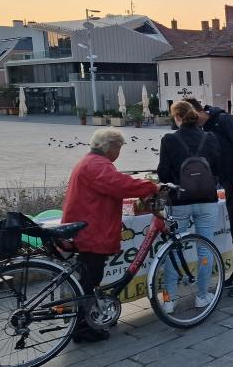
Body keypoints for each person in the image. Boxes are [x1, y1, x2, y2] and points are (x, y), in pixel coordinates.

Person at [61, 128, 159, 343]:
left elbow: (112, 184)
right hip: (91, 228)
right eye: (119, 148)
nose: (119, 152)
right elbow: (118, 185)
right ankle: (83, 327)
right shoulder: (97, 164)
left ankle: (93, 317)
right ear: (110, 147)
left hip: (86, 224)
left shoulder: (90, 161)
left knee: (90, 277)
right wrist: (151, 186)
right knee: (90, 279)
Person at [185, 98, 233, 298]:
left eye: (190, 117)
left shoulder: (225, 120)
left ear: (198, 110)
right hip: (231, 184)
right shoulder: (207, 128)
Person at [156, 101, 221, 313]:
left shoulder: (169, 139)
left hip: (180, 201)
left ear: (176, 117)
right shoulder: (209, 138)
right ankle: (202, 296)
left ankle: (169, 299)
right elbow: (217, 168)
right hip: (206, 200)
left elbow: (163, 174)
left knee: (174, 249)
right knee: (205, 248)